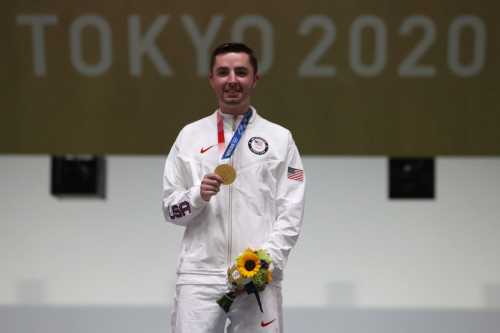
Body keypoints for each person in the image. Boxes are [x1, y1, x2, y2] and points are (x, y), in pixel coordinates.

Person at [162, 42, 305, 333]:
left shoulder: (279, 139)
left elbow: (291, 210)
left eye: (241, 72)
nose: (232, 80)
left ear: (255, 79)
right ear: (211, 79)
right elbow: (171, 210)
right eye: (223, 72)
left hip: (258, 276)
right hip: (199, 276)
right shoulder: (189, 136)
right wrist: (197, 195)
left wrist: (266, 261)